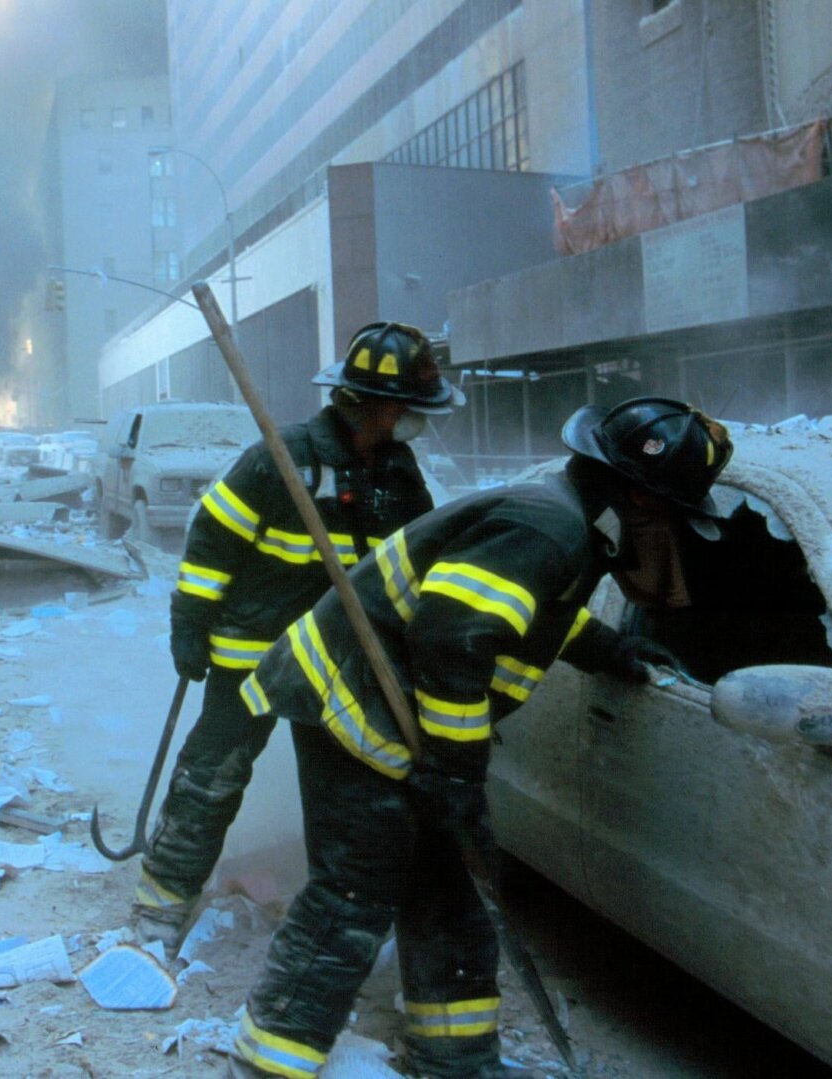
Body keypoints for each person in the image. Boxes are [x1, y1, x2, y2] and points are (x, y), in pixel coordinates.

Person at [223, 397, 732, 1079]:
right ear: (638, 493)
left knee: (452, 884)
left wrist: (606, 645)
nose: (669, 531)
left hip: (396, 712)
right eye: (672, 510)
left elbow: (518, 613)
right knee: (354, 892)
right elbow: (453, 635)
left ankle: (455, 1059)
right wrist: (457, 773)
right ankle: (268, 1062)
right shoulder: (548, 527)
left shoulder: (566, 526)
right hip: (349, 703)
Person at [133, 322, 460, 944]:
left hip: (338, 665)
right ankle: (160, 906)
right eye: (409, 409)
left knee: (343, 791)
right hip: (254, 658)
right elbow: (210, 545)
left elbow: (419, 559)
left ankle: (332, 920)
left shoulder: (397, 471)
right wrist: (189, 625)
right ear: (371, 404)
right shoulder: (281, 460)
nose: (416, 421)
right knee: (213, 776)